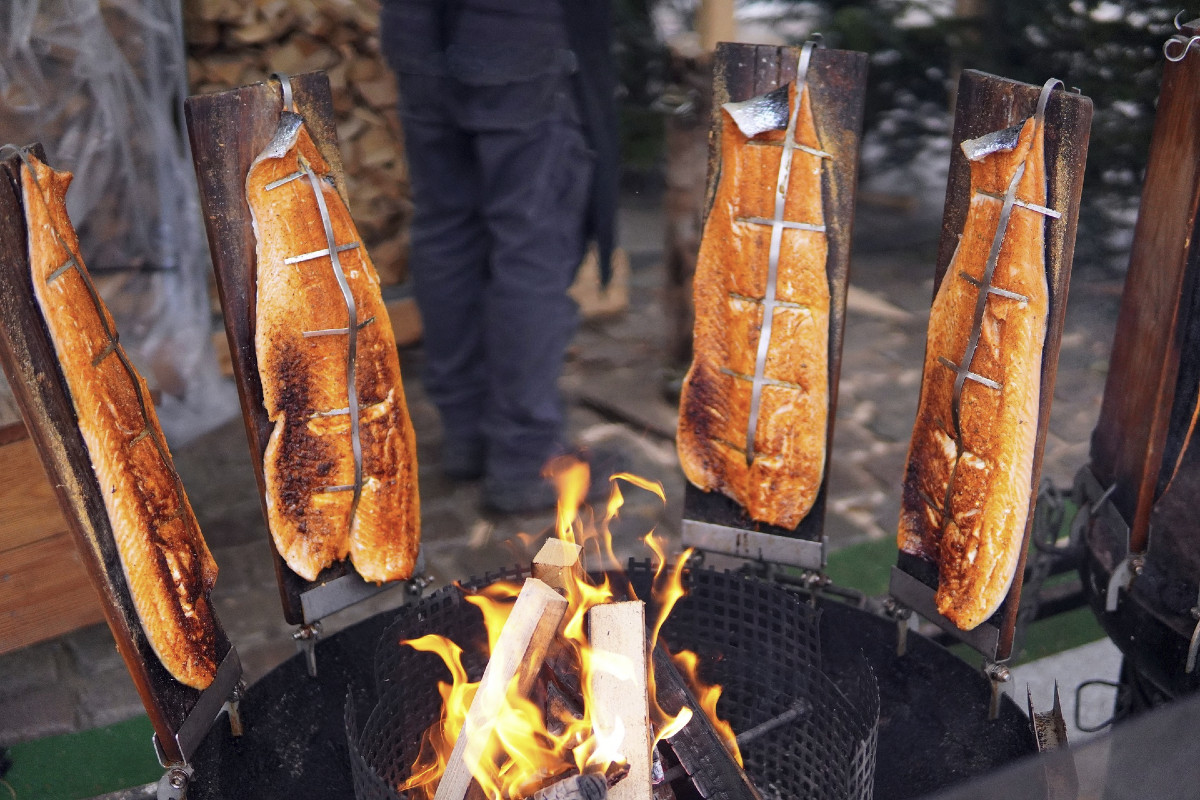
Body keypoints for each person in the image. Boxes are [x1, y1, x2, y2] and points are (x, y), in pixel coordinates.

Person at [379, 0, 620, 512]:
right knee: (532, 240)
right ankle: (525, 456)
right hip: (516, 30)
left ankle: (468, 435)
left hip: (417, 26)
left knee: (447, 226)